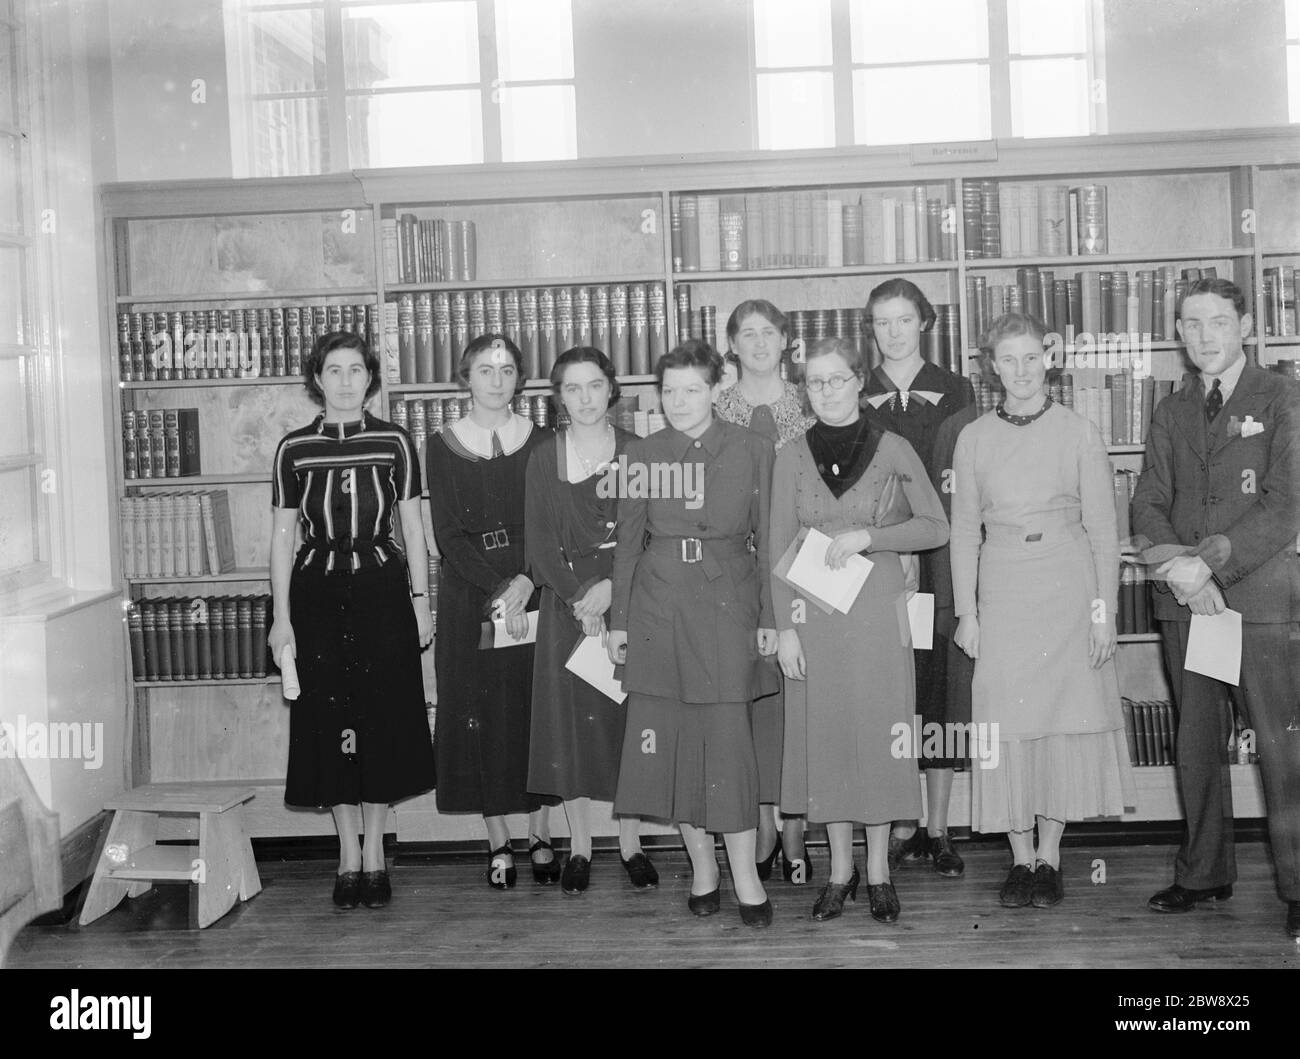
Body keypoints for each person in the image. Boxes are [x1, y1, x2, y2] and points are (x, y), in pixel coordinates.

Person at [1130, 277, 1300, 938]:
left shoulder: (1283, 397)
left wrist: (1213, 562)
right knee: (1197, 744)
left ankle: (1296, 885)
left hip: (1258, 602)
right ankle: (1204, 871)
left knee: (1283, 755)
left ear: (1246, 325)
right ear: (1179, 331)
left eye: (1219, 322)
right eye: (1192, 323)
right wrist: (1178, 567)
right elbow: (1147, 501)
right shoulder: (1169, 411)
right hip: (1186, 602)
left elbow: (1285, 503)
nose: (1205, 335)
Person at [951, 312, 1134, 909]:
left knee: (1061, 717)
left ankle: (1050, 857)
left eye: (1032, 357)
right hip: (1002, 587)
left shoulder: (1078, 431)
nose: (1022, 371)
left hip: (1068, 584)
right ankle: (1019, 856)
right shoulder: (974, 436)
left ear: (1049, 359)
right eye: (1009, 359)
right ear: (991, 367)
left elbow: (1105, 531)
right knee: (1005, 722)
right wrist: (968, 613)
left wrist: (1103, 613)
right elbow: (962, 535)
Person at [771, 337, 948, 923]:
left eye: (837, 380)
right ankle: (839, 872)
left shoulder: (893, 446)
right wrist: (785, 631)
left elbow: (934, 526)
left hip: (875, 610)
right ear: (805, 390)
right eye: (814, 383)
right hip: (812, 616)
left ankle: (877, 872)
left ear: (857, 382)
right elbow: (775, 547)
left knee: (875, 734)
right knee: (826, 739)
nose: (826, 392)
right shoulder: (790, 453)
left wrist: (872, 537)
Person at [607, 339, 780, 926]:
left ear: (716, 389)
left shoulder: (753, 448)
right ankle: (702, 870)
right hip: (660, 606)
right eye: (669, 391)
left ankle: (746, 875)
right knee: (672, 744)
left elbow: (770, 544)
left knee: (728, 742)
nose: (679, 402)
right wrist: (620, 624)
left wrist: (770, 620)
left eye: (693, 390)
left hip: (730, 602)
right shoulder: (641, 453)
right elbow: (629, 544)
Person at [269, 330, 436, 910]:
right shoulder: (294, 448)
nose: (345, 381)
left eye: (356, 370)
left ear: (371, 378)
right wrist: (281, 619)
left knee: (380, 718)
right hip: (316, 594)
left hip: (380, 590)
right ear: (317, 379)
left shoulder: (394, 442)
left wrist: (421, 600)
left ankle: (374, 852)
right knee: (330, 721)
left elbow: (413, 529)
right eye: (333, 371)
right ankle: (345, 854)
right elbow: (282, 538)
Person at [426, 333, 560, 890]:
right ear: (467, 377)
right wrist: (501, 587)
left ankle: (541, 832)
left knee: (533, 711)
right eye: (485, 370)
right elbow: (448, 537)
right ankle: (498, 838)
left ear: (519, 379)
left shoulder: (544, 440)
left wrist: (527, 580)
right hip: (472, 593)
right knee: (482, 717)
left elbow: (551, 522)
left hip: (535, 586)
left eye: (506, 370)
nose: (496, 380)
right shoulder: (441, 443)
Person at [524, 346, 658, 895]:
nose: (584, 398)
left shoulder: (641, 452)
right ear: (559, 397)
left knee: (628, 728)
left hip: (628, 605)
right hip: (568, 609)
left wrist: (611, 590)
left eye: (594, 386)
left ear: (611, 391)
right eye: (572, 388)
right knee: (570, 733)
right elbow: (538, 544)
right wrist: (582, 595)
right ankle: (580, 844)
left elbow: (653, 535)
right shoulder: (542, 457)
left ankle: (630, 844)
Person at [860, 278, 975, 877]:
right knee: (891, 684)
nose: (895, 331)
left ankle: (938, 826)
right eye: (883, 322)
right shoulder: (858, 393)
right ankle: (900, 821)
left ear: (924, 323)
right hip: (882, 557)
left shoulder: (956, 390)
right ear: (872, 329)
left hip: (943, 555)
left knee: (940, 687)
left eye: (905, 319)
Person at [714, 299, 815, 885]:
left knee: (794, 698)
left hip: (801, 564)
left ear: (786, 341)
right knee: (749, 702)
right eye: (746, 334)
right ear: (732, 343)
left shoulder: (807, 400)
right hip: (736, 573)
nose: (758, 342)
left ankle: (796, 827)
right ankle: (760, 823)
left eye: (769, 332)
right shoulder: (717, 406)